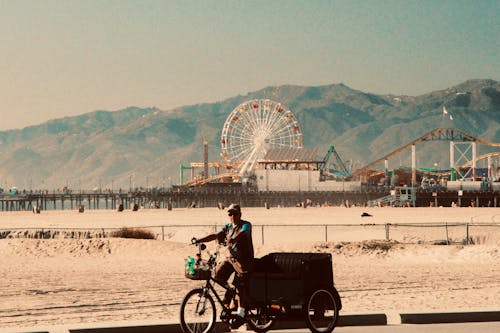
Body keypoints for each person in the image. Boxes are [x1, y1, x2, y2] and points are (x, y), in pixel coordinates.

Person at [194, 203, 254, 329]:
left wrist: (233, 240)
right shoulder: (228, 227)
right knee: (216, 274)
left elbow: (243, 233)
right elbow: (215, 235)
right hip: (231, 259)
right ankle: (230, 291)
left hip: (244, 261)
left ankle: (241, 313)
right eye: (230, 214)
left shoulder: (245, 225)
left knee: (240, 284)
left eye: (234, 213)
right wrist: (200, 240)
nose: (232, 216)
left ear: (240, 214)